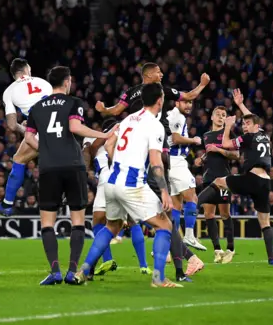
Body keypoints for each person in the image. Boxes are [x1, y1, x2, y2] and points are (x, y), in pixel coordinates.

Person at [95, 63, 210, 276]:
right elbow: (188, 96)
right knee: (161, 214)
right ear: (149, 75)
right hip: (155, 153)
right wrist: (202, 85)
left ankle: (181, 261)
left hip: (140, 157)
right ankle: (182, 263)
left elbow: (115, 111)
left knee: (144, 218)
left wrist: (104, 110)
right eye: (159, 71)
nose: (162, 74)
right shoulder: (161, 91)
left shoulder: (130, 95)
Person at [75, 83, 180, 288]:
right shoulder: (155, 125)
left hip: (111, 182)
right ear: (160, 100)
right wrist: (165, 192)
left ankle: (84, 271)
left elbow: (108, 144)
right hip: (132, 184)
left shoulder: (128, 119)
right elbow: (156, 162)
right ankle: (158, 278)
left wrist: (121, 163)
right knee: (165, 225)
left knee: (112, 226)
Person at [24, 66, 115, 285]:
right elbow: (75, 127)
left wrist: (44, 149)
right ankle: (72, 272)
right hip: (73, 166)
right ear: (67, 82)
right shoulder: (74, 103)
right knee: (77, 221)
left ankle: (55, 270)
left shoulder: (36, 108)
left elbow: (28, 139)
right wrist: (103, 134)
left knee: (47, 222)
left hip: (48, 167)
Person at [198, 89, 273, 265]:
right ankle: (272, 259)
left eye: (247, 125)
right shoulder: (263, 135)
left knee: (219, 182)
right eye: (244, 124)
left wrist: (228, 127)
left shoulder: (247, 138)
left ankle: (193, 206)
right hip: (265, 182)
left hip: (252, 178)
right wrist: (240, 104)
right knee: (265, 222)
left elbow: (226, 144)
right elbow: (252, 118)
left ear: (254, 127)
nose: (245, 126)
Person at [82, 119, 151, 279]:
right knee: (133, 222)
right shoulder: (126, 141)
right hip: (125, 179)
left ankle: (106, 259)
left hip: (107, 179)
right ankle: (143, 265)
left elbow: (89, 151)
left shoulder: (93, 140)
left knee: (99, 223)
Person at [0, 59, 52, 216]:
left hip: (40, 129)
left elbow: (11, 125)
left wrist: (25, 128)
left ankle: (7, 204)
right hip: (59, 125)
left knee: (18, 160)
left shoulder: (9, 91)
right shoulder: (43, 82)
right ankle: (6, 204)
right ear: (27, 69)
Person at [165, 98, 206, 281]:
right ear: (177, 103)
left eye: (191, 103)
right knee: (193, 197)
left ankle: (169, 244)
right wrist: (193, 140)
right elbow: (175, 139)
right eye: (185, 102)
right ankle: (189, 235)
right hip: (176, 163)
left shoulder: (171, 115)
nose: (189, 106)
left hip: (170, 163)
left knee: (175, 205)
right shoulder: (178, 117)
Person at [195, 106, 239, 263]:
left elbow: (236, 155)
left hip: (223, 180)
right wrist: (201, 160)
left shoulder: (227, 134)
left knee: (225, 214)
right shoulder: (206, 136)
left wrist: (219, 150)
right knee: (209, 214)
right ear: (212, 117)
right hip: (208, 179)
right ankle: (217, 250)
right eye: (218, 114)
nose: (221, 117)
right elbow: (207, 155)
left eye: (224, 115)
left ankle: (231, 248)